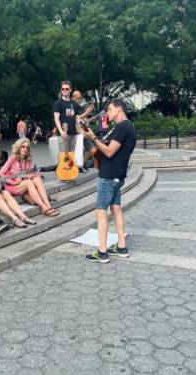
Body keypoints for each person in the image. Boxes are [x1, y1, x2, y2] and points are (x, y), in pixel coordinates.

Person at [82, 100, 137, 263]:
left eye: (110, 109)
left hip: (108, 176)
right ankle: (121, 247)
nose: (108, 112)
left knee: (101, 211)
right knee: (116, 209)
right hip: (118, 175)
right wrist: (91, 138)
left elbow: (109, 151)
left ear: (119, 110)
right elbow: (104, 147)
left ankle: (102, 252)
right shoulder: (129, 127)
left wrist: (92, 137)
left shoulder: (122, 127)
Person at [0, 138, 59, 216]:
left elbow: (31, 173)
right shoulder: (12, 159)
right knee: (29, 182)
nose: (25, 149)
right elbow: (0, 173)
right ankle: (43, 207)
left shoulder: (29, 160)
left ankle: (48, 205)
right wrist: (13, 181)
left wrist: (37, 176)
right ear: (18, 147)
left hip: (24, 185)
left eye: (27, 147)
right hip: (12, 186)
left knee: (37, 179)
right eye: (23, 146)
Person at [53, 80, 81, 154]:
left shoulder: (74, 103)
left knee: (72, 156)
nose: (64, 90)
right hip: (63, 134)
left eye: (66, 89)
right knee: (64, 158)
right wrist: (61, 131)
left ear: (70, 90)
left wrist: (80, 127)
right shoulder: (57, 103)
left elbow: (77, 117)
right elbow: (56, 118)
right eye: (63, 89)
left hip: (74, 134)